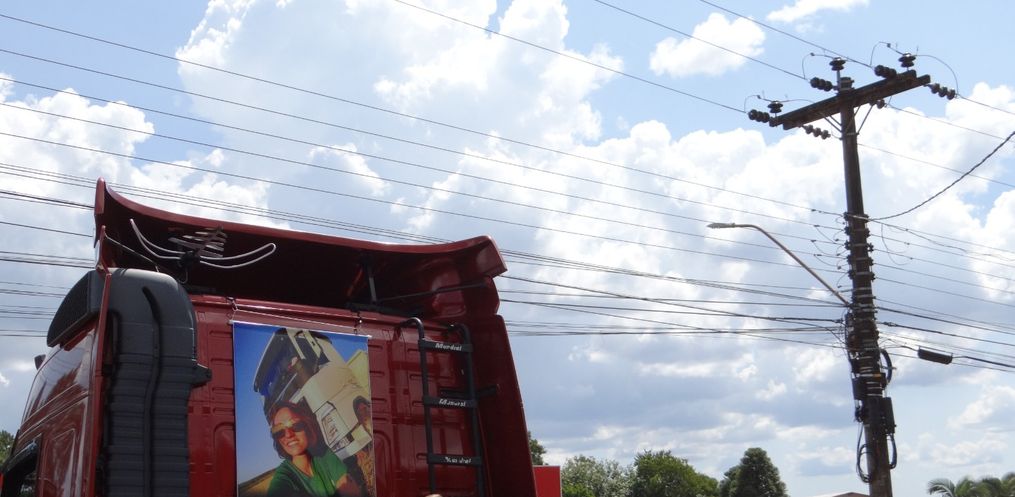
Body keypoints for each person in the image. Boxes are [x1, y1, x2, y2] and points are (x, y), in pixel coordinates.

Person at [266, 401, 363, 497]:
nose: (288, 434)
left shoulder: (324, 454)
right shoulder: (283, 478)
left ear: (307, 426)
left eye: (295, 425)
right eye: (279, 431)